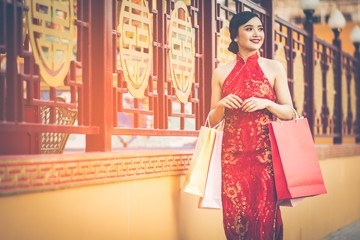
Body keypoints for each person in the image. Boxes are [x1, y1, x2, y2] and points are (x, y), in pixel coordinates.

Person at [209, 11, 295, 240]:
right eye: (249, 28)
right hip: (232, 158)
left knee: (265, 216)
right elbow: (211, 122)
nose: (257, 33)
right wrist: (221, 106)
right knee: (235, 219)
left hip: (264, 158)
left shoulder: (274, 68)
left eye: (259, 28)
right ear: (235, 35)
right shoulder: (220, 72)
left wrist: (267, 103)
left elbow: (290, 112)